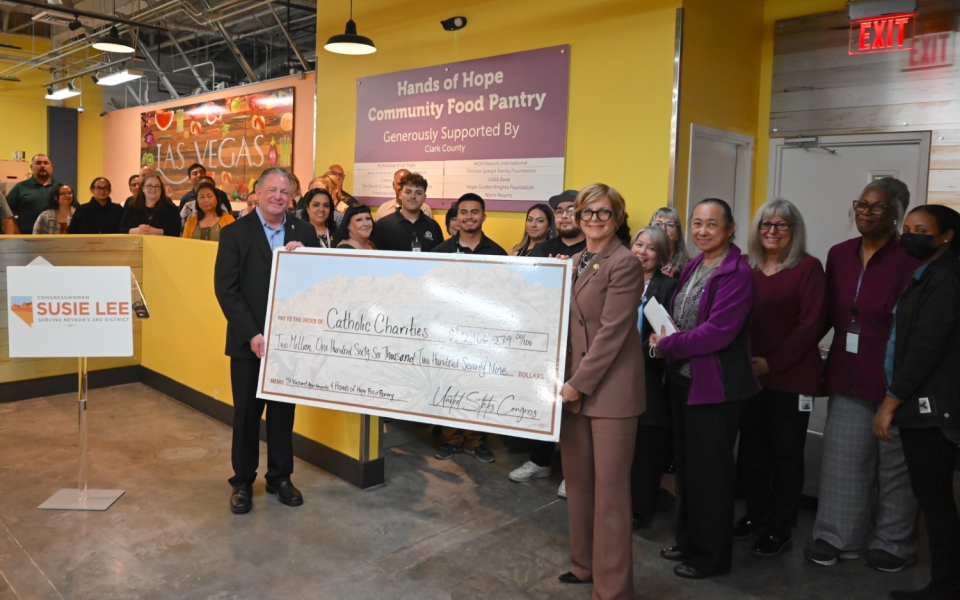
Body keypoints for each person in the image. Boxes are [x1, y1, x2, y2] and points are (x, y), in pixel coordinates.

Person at [804, 178, 921, 572]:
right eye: (861, 204)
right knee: (843, 460)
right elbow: (824, 314)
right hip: (848, 373)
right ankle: (837, 535)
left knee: (894, 466)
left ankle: (893, 541)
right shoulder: (839, 254)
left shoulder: (911, 258)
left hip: (896, 380)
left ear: (897, 214)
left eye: (878, 207)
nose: (866, 212)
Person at [650, 198, 759, 579]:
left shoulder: (737, 273)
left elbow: (718, 333)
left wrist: (667, 345)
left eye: (712, 224)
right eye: (696, 223)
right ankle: (688, 541)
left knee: (710, 476)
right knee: (688, 472)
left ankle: (711, 558)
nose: (702, 230)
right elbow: (681, 314)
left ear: (730, 228)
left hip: (715, 389)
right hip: (683, 382)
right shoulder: (697, 263)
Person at [556, 183, 645, 598]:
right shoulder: (574, 260)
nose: (594, 220)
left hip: (610, 393)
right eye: (587, 213)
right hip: (573, 388)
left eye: (603, 213)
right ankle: (583, 564)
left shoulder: (624, 263)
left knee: (610, 494)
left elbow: (612, 333)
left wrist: (576, 384)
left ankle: (612, 588)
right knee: (578, 484)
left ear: (617, 219)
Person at [214, 167, 318, 515]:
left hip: (288, 343)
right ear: (257, 193)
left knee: (282, 413)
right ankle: (242, 482)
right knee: (246, 415)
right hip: (248, 343)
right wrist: (252, 334)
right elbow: (226, 290)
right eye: (271, 190)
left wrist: (306, 258)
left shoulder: (303, 231)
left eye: (285, 192)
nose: (278, 197)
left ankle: (280, 478)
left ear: (292, 197)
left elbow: (317, 283)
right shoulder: (235, 233)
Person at [734, 199, 826, 557]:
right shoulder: (745, 266)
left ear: (793, 231)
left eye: (781, 225)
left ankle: (780, 526)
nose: (772, 231)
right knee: (752, 452)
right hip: (747, 376)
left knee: (785, 456)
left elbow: (812, 325)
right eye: (765, 225)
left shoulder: (808, 269)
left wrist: (772, 362)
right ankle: (756, 515)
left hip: (789, 378)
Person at [878, 205, 960, 600]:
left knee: (936, 500)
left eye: (922, 230)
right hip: (927, 403)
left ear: (946, 236)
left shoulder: (945, 278)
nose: (911, 235)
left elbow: (927, 347)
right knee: (935, 498)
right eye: (907, 228)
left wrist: (891, 402)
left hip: (933, 408)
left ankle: (945, 585)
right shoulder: (928, 273)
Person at [430, 194, 504, 464]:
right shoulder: (439, 253)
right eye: (464, 212)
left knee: (477, 386)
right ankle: (450, 439)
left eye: (475, 212)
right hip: (447, 333)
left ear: (484, 216)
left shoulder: (497, 254)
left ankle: (475, 441)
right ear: (456, 218)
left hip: (482, 336)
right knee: (449, 385)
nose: (469, 217)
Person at [628, 226, 679, 529]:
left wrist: (654, 351)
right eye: (638, 245)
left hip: (650, 376)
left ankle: (639, 508)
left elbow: (670, 337)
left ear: (660, 256)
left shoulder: (668, 287)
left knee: (646, 447)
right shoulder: (617, 280)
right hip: (614, 373)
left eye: (650, 248)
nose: (642, 253)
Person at [375, 172, 443, 252]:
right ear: (400, 194)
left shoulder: (433, 227)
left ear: (424, 197)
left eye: (418, 193)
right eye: (408, 192)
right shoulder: (383, 225)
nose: (413, 196)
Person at [6, 154, 70, 234]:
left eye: (46, 163)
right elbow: (7, 214)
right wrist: (17, 234)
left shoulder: (62, 187)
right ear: (31, 167)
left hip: (57, 239)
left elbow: (74, 210)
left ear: (52, 167)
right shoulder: (20, 187)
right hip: (26, 240)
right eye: (38, 163)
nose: (42, 166)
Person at [529, 190, 585, 258]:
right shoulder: (540, 249)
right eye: (559, 211)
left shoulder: (593, 250)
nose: (564, 216)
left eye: (571, 210)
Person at [650, 207, 691, 277]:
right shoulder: (642, 259)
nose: (663, 228)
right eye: (658, 224)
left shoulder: (688, 266)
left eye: (670, 224)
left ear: (678, 234)